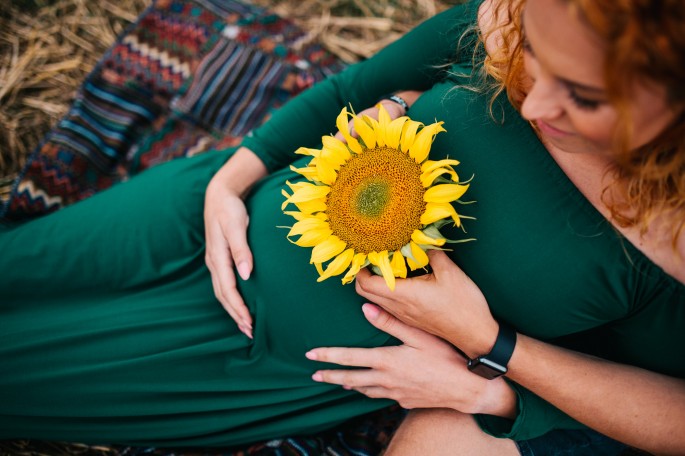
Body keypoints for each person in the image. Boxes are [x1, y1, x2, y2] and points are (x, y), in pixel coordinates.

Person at [0, 0, 682, 454]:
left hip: (254, 360)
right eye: (534, 55)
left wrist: (490, 359)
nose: (533, 102)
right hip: (212, 215)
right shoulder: (533, 16)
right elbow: (353, 88)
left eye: (585, 97)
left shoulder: (670, 243)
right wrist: (230, 180)